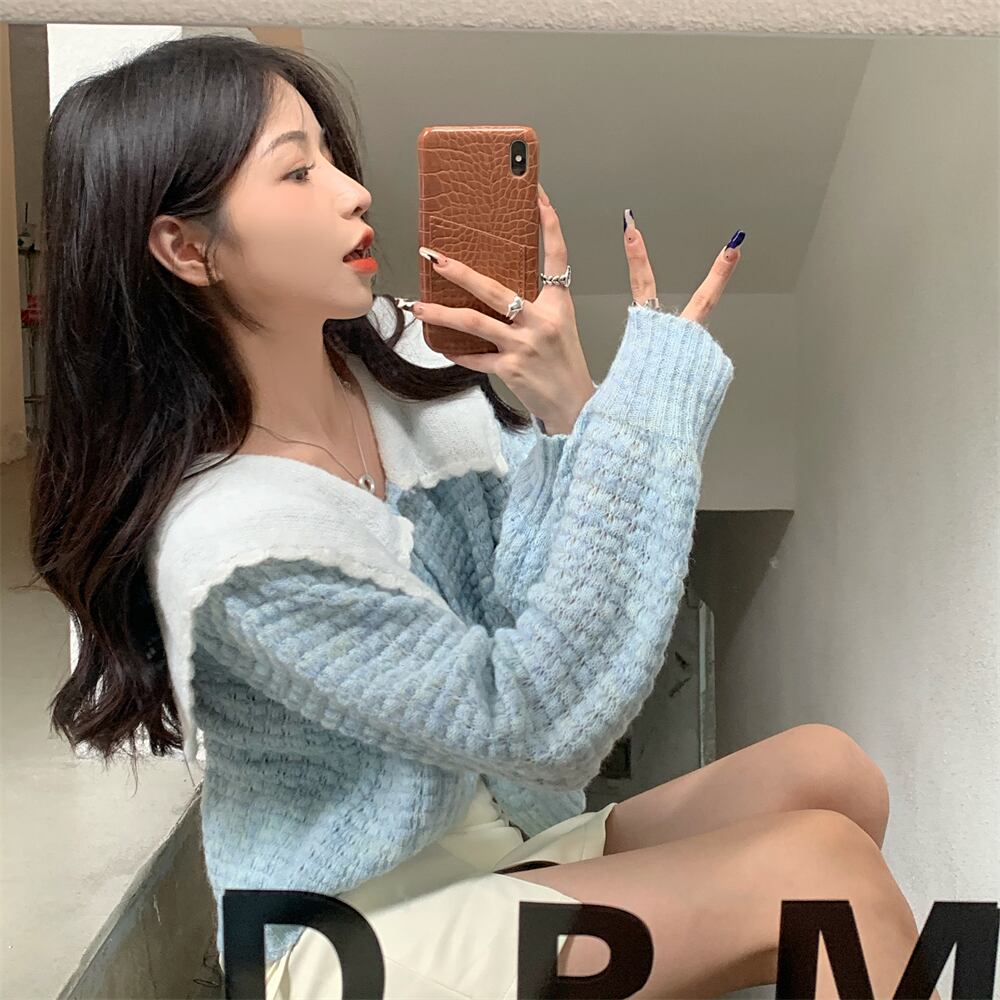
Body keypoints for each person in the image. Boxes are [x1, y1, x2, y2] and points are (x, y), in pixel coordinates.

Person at [31, 33, 940, 1000]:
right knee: (822, 877)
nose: (355, 192)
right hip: (345, 928)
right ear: (187, 247)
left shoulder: (406, 365)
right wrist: (641, 422)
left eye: (332, 156)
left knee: (833, 776)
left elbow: (527, 603)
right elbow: (542, 717)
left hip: (499, 838)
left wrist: (572, 411)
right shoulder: (235, 542)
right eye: (298, 172)